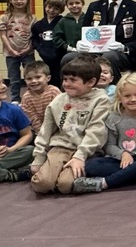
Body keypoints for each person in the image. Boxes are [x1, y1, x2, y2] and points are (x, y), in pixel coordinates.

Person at [29, 55, 110, 195]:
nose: (66, 84)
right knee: (42, 184)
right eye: (65, 79)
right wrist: (39, 157)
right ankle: (44, 171)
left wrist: (80, 156)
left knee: (65, 185)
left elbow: (96, 131)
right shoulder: (59, 100)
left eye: (73, 80)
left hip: (85, 151)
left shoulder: (101, 100)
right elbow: (46, 130)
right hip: (59, 148)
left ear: (91, 82)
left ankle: (84, 176)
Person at [72, 73, 136, 192]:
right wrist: (123, 154)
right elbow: (109, 146)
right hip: (120, 160)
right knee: (91, 166)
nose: (133, 99)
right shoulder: (113, 118)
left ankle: (104, 183)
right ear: (120, 98)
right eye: (127, 96)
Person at [0, 0, 35, 104]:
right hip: (10, 52)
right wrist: (10, 49)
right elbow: (3, 35)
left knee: (31, 75)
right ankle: (15, 99)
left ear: (27, 0)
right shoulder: (5, 17)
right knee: (14, 78)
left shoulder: (32, 17)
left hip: (27, 52)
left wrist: (29, 48)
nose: (19, 1)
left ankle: (32, 97)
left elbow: (34, 36)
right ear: (10, 0)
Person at [52, 0, 86, 86]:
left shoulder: (89, 18)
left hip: (88, 52)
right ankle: (65, 88)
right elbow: (56, 37)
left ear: (83, 3)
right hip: (70, 52)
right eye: (71, 4)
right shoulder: (63, 21)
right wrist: (68, 47)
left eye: (77, 3)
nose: (74, 5)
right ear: (66, 6)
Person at [31, 0, 66, 85]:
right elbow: (34, 39)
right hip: (45, 56)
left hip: (60, 57)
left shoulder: (63, 22)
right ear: (45, 6)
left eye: (56, 9)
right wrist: (39, 49)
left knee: (60, 78)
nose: (51, 10)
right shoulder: (38, 25)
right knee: (47, 78)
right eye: (49, 7)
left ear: (61, 11)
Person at [20, 62, 62, 133]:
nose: (33, 81)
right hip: (38, 130)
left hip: (57, 126)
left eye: (38, 77)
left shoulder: (54, 92)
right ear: (25, 81)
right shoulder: (26, 97)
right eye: (29, 79)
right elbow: (32, 119)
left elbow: (61, 113)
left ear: (48, 78)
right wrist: (42, 133)